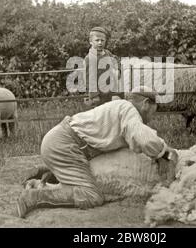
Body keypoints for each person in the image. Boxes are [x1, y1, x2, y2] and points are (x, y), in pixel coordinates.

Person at [17, 86, 178, 218]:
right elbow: (142, 137)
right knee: (91, 195)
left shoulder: (121, 107)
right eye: (154, 109)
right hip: (65, 144)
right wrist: (163, 154)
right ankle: (33, 197)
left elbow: (130, 140)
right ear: (146, 103)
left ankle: (49, 173)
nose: (153, 115)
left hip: (62, 141)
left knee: (83, 179)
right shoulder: (129, 111)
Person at [83, 26, 123, 107]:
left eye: (102, 40)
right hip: (99, 95)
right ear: (91, 41)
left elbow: (116, 60)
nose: (100, 43)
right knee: (100, 115)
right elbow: (90, 79)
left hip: (110, 91)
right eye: (97, 40)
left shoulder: (107, 53)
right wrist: (94, 96)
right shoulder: (90, 58)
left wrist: (118, 70)